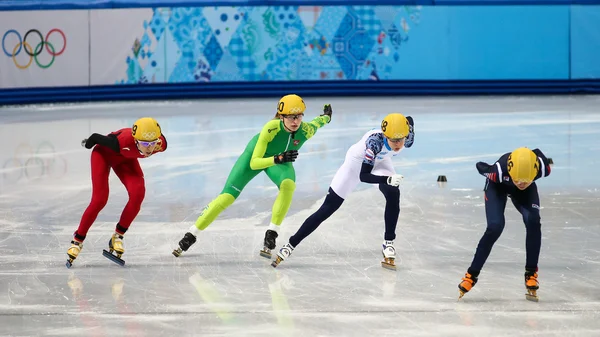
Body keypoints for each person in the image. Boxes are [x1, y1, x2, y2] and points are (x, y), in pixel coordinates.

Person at [172, 94, 332, 258]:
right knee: (227, 196)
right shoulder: (271, 128)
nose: (295, 121)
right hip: (256, 156)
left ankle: (272, 234)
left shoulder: (305, 130)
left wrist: (326, 117)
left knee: (288, 185)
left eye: (299, 116)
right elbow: (255, 163)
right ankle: (191, 234)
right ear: (281, 116)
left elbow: (317, 123)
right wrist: (278, 158)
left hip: (280, 160)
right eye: (291, 117)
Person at [271, 113, 414, 270]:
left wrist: (388, 182)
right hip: (355, 166)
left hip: (381, 163)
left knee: (393, 193)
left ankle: (388, 243)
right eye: (393, 140)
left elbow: (409, 120)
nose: (398, 144)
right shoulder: (374, 143)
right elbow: (363, 175)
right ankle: (290, 244)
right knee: (328, 208)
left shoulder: (407, 136)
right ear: (386, 135)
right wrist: (387, 180)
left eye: (401, 139)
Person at [66, 117, 167, 268]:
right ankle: (78, 240)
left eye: (152, 143)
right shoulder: (121, 141)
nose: (149, 148)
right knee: (99, 200)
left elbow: (152, 143)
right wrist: (88, 143)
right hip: (104, 155)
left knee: (138, 194)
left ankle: (117, 237)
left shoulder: (160, 144)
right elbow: (95, 137)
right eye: (145, 143)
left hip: (126, 159)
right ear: (135, 140)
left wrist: (151, 143)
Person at [457, 147, 552, 301]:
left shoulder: (542, 168)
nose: (521, 183)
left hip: (524, 193)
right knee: (495, 226)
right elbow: (480, 166)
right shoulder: (497, 171)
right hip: (497, 187)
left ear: (534, 174)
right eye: (517, 180)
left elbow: (538, 152)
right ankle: (471, 275)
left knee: (533, 221)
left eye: (525, 180)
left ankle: (531, 272)